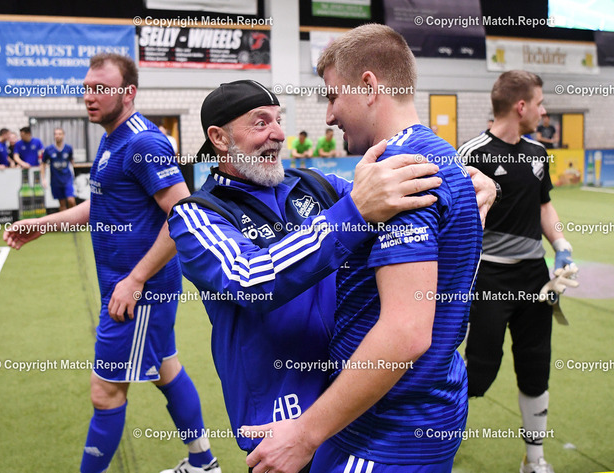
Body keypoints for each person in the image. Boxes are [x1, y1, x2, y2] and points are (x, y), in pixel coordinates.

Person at [223, 24, 486, 473]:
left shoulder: (401, 174)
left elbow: (406, 332)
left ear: (368, 86)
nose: (329, 116)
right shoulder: (439, 158)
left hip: (386, 429)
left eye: (332, 96)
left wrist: (305, 434)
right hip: (411, 412)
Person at [167, 79, 446, 472]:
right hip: (281, 422)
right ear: (219, 137)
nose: (278, 134)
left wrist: (474, 181)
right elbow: (250, 279)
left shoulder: (316, 183)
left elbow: (401, 191)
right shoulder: (196, 214)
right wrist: (351, 214)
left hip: (351, 399)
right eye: (260, 122)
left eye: (278, 120)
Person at [3, 53, 220, 473]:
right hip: (128, 288)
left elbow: (184, 216)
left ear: (128, 92)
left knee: (105, 393)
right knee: (165, 369)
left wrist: (136, 279)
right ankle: (203, 462)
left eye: (101, 88)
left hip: (138, 293)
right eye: (87, 88)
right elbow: (102, 206)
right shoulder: (112, 137)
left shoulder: (144, 142)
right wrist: (43, 224)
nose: (90, 96)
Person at [458, 70, 578, 473]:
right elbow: (454, 219)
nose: (544, 112)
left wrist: (561, 246)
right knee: (479, 374)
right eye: (540, 104)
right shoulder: (471, 152)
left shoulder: (538, 153)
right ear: (521, 106)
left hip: (535, 280)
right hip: (489, 279)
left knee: (535, 369)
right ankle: (434, 439)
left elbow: (544, 206)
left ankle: (535, 460)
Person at [41, 127, 76, 211]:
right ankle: (66, 219)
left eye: (60, 134)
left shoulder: (68, 148)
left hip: (67, 179)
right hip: (56, 180)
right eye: (56, 134)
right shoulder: (49, 149)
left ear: (63, 135)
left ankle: (75, 217)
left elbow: (72, 161)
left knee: (71, 200)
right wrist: (43, 179)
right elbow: (43, 164)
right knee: (62, 203)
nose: (57, 136)